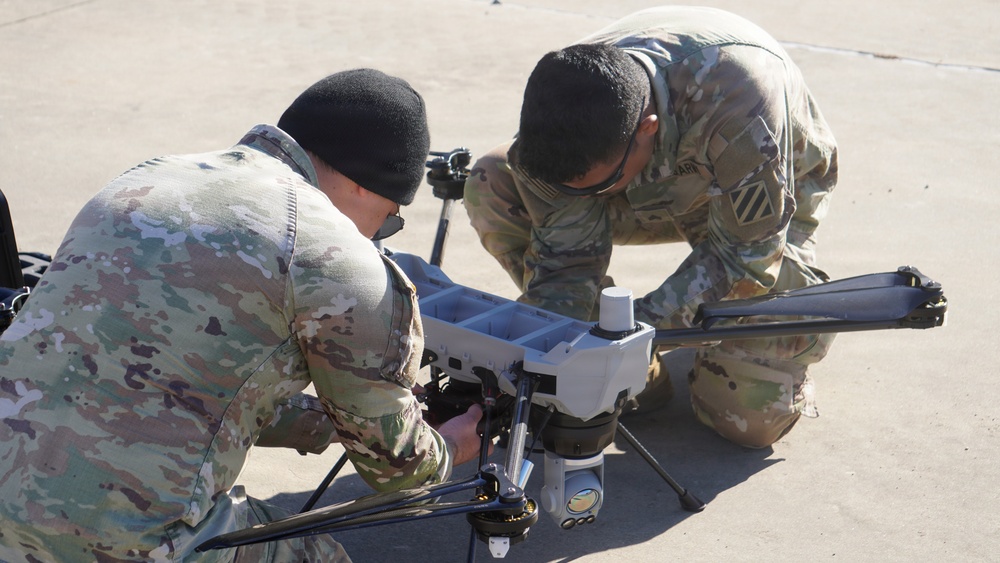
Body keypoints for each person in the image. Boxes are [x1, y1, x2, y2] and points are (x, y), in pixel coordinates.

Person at [0, 69, 485, 562]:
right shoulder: (339, 257)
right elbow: (399, 470)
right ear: (367, 187)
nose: (383, 232)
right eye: (392, 218)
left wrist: (330, 422)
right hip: (127, 542)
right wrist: (448, 446)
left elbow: (168, 383)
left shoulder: (149, 177)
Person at [464, 6, 839, 448]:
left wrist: (630, 334)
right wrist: (557, 350)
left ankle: (796, 325)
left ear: (647, 128)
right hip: (649, 186)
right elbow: (567, 262)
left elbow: (745, 262)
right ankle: (639, 374)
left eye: (597, 185)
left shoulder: (738, 99)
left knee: (747, 420)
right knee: (492, 179)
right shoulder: (565, 106)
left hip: (759, 196)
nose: (581, 200)